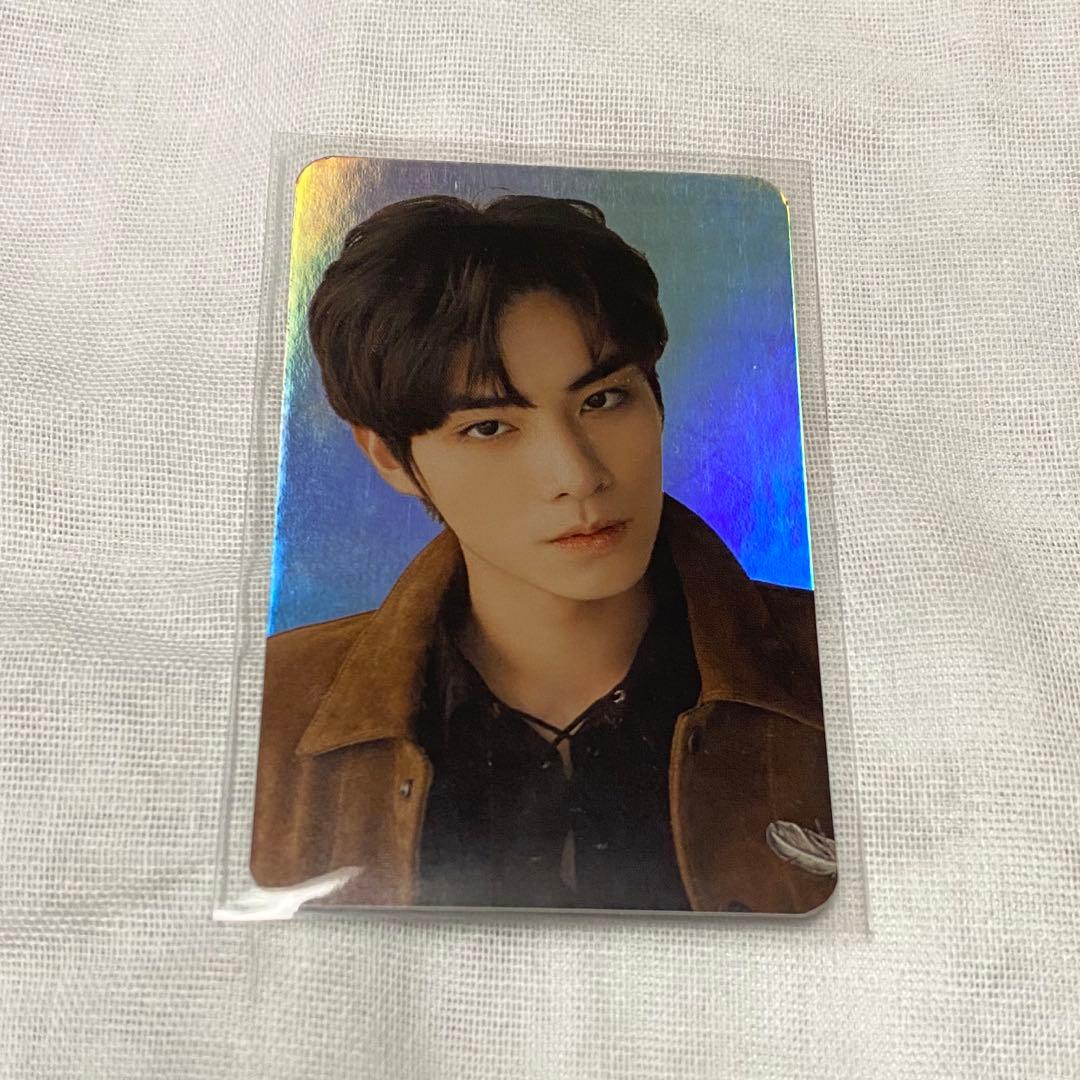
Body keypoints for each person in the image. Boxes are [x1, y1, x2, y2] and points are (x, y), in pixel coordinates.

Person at [250, 194, 836, 914]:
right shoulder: (274, 704)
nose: (578, 475)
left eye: (603, 400)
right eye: (490, 427)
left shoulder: (835, 665)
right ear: (390, 458)